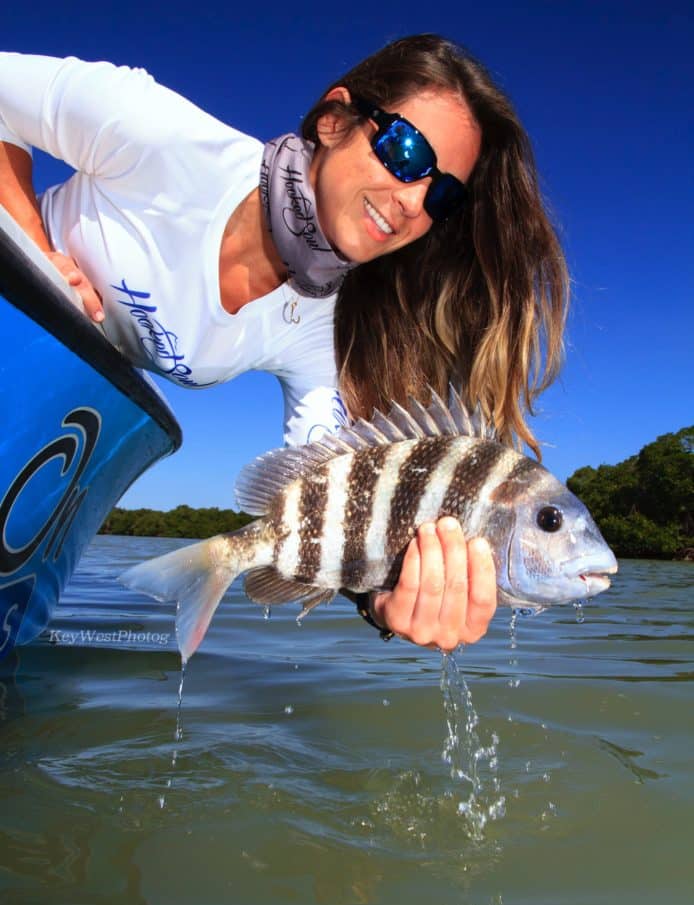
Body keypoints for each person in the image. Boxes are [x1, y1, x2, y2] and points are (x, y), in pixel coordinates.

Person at [0, 35, 567, 651]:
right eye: (406, 152)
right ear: (333, 120)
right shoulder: (158, 134)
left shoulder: (324, 333)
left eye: (442, 195)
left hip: (57, 419)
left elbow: (337, 493)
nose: (412, 200)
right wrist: (36, 246)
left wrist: (387, 600)